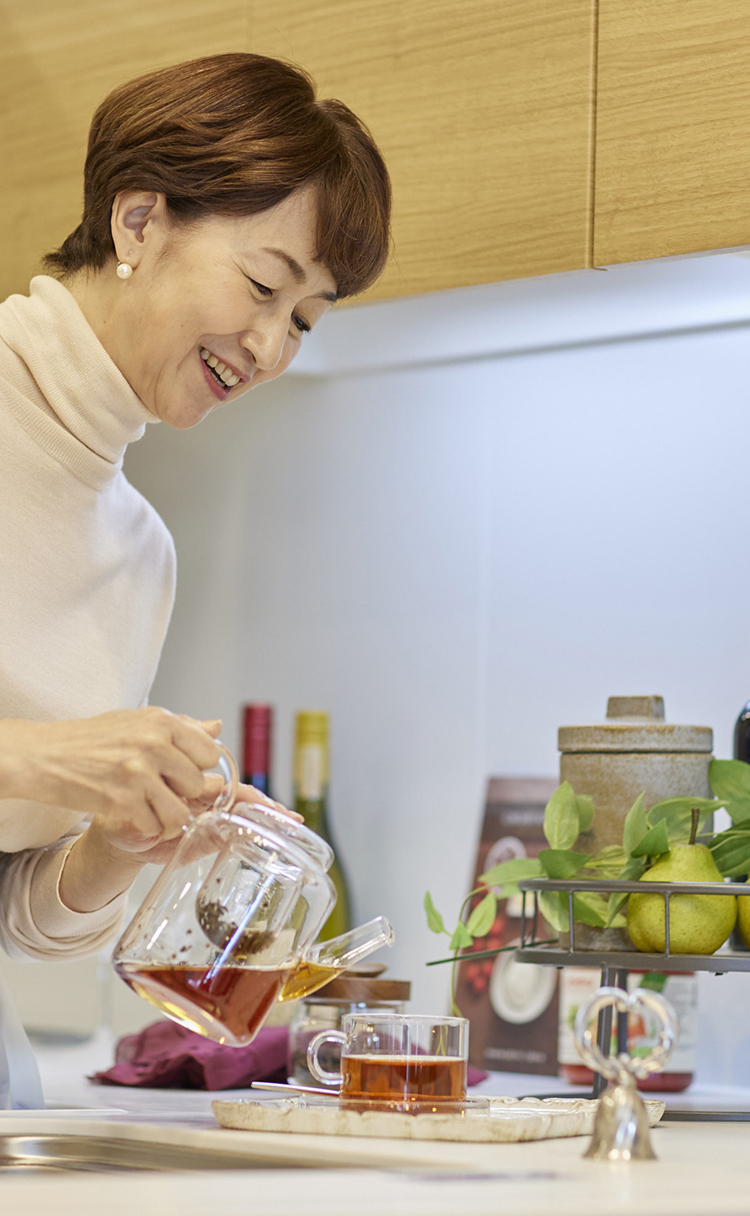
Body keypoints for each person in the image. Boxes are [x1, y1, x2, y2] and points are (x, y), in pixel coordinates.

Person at [0, 52, 391, 1107]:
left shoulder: (139, 554)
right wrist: (50, 755)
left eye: (306, 319)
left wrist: (119, 841)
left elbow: (19, 915)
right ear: (138, 222)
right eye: (265, 283)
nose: (269, 344)